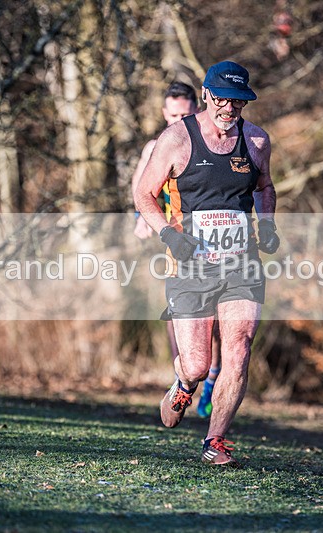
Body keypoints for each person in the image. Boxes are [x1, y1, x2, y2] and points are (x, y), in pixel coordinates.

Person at [134, 61, 279, 466]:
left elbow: (265, 187)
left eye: (237, 103)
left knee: (238, 348)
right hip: (190, 266)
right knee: (198, 365)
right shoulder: (176, 139)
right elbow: (144, 195)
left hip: (241, 265)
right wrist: (168, 234)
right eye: (222, 101)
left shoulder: (256, 141)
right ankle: (183, 383)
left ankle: (215, 441)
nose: (229, 110)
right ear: (206, 95)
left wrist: (265, 225)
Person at [130, 81, 221, 418]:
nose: (178, 120)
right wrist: (141, 218)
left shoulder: (209, 143)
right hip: (176, 237)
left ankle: (210, 375)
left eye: (185, 114)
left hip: (216, 239)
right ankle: (182, 375)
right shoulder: (157, 145)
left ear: (196, 109)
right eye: (172, 115)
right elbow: (142, 188)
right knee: (179, 308)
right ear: (163, 113)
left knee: (221, 314)